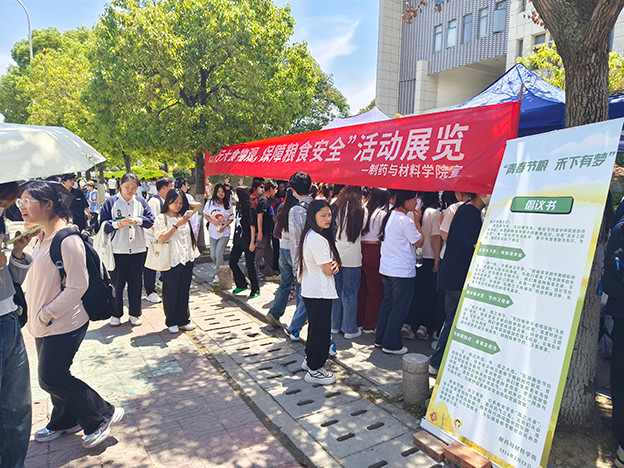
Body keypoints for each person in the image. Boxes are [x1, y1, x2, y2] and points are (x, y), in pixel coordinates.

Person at [20, 180, 124, 449]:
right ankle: (65, 420)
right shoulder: (40, 237)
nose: (22, 206)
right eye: (20, 201)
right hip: (43, 321)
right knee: (55, 375)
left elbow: (78, 286)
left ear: (48, 205)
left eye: (28, 201)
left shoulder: (68, 240)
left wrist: (46, 313)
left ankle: (101, 414)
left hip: (64, 321)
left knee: (51, 378)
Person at [429, 193, 490, 375]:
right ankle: (438, 362)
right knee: (456, 321)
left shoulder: (464, 209)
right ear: (481, 194)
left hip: (451, 274)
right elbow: (475, 245)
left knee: (451, 319)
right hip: (459, 276)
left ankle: (440, 361)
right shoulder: (471, 213)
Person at [0, 182, 33, 468]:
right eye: (3, 203)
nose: (5, 209)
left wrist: (17, 254)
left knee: (17, 406)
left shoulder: (1, 222)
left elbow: (10, 281)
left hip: (10, 318)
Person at [100, 173, 155, 327]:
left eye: (133, 188)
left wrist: (138, 220)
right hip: (118, 250)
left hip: (138, 249)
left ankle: (135, 313)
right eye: (127, 187)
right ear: (120, 185)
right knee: (117, 284)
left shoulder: (141, 202)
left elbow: (150, 220)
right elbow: (103, 225)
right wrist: (118, 224)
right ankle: (116, 313)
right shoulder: (111, 202)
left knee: (135, 283)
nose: (130, 191)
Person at [376, 190, 423, 355]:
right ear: (405, 200)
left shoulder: (390, 215)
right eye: (414, 199)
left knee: (388, 304)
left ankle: (381, 338)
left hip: (387, 267)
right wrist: (417, 221)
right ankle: (391, 344)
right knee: (399, 307)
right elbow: (419, 241)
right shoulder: (405, 221)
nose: (416, 203)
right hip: (402, 270)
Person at [299, 199, 341, 385]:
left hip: (314, 289)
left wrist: (334, 264)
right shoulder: (317, 239)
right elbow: (328, 270)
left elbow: (329, 266)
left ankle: (310, 361)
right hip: (319, 291)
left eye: (329, 215)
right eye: (323, 215)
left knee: (316, 329)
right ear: (312, 217)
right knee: (321, 332)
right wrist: (334, 266)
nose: (327, 218)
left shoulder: (313, 235)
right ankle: (314, 369)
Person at [154, 189, 200, 333]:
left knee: (184, 291)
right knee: (171, 292)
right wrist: (176, 225)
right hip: (171, 260)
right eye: (175, 202)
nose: (178, 205)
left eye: (180, 203)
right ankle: (171, 321)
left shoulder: (183, 215)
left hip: (186, 258)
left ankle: (183, 320)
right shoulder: (162, 218)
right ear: (168, 201)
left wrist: (184, 203)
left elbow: (198, 205)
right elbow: (161, 238)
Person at [405, 192, 442, 340]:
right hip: (429, 257)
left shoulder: (410, 213)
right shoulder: (434, 213)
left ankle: (407, 323)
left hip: (413, 257)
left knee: (413, 291)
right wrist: (437, 258)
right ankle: (423, 326)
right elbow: (435, 237)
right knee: (427, 293)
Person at [331, 186, 365, 339]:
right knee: (350, 293)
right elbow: (362, 229)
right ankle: (349, 328)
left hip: (337, 252)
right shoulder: (362, 210)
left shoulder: (336, 205)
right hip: (353, 256)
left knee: (336, 290)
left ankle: (334, 325)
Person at [284, 172, 313, 341]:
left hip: (304, 257)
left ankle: (294, 328)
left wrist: (296, 266)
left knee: (305, 295)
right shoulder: (320, 205)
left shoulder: (296, 210)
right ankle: (296, 327)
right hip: (320, 256)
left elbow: (295, 240)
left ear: (293, 190)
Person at [357, 188, 389, 333]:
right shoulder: (382, 214)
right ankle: (370, 324)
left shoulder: (363, 209)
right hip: (374, 249)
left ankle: (359, 320)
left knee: (362, 288)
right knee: (374, 289)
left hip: (360, 248)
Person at [266, 189, 299, 327]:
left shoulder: (282, 208)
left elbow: (275, 233)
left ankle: (274, 313)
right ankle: (299, 319)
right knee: (300, 286)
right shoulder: (299, 210)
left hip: (283, 249)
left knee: (284, 284)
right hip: (295, 251)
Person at [143, 177, 174, 303]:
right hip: (152, 241)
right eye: (171, 187)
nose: (173, 189)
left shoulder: (165, 201)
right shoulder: (154, 202)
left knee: (163, 264)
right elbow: (150, 222)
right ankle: (150, 292)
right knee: (150, 267)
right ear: (164, 188)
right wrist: (159, 234)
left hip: (162, 240)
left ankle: (160, 284)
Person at [229, 186, 260, 299]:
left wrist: (252, 243)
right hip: (238, 241)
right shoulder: (238, 207)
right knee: (232, 262)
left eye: (236, 194)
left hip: (247, 241)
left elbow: (252, 227)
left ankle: (255, 289)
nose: (234, 196)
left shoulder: (249, 209)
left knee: (250, 265)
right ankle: (241, 284)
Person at [204, 183, 233, 283]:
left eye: (222, 192)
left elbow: (231, 218)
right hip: (213, 233)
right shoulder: (210, 203)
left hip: (224, 233)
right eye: (218, 191)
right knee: (213, 255)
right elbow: (206, 215)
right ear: (215, 192)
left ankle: (217, 274)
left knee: (219, 254)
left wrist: (224, 226)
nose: (221, 193)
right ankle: (222, 268)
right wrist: (213, 222)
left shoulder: (228, 204)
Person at [255, 180, 278, 278]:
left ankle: (270, 272)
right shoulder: (263, 200)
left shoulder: (266, 200)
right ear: (271, 189)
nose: (276, 192)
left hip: (268, 232)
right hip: (263, 232)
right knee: (259, 252)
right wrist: (260, 232)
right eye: (275, 189)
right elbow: (259, 216)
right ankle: (250, 272)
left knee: (268, 252)